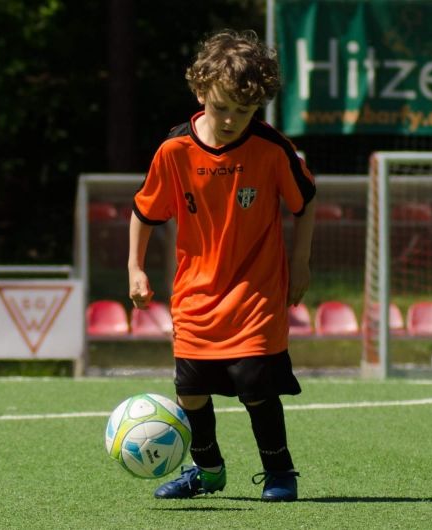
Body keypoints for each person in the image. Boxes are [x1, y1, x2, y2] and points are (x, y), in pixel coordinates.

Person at [128, 29, 316, 501]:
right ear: (200, 92)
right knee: (190, 390)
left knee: (255, 384)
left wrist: (300, 263)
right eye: (222, 107)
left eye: (244, 110)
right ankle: (208, 471)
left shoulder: (272, 149)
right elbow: (145, 211)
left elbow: (305, 202)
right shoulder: (174, 150)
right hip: (195, 293)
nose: (232, 120)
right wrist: (135, 268)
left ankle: (279, 472)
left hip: (256, 291)